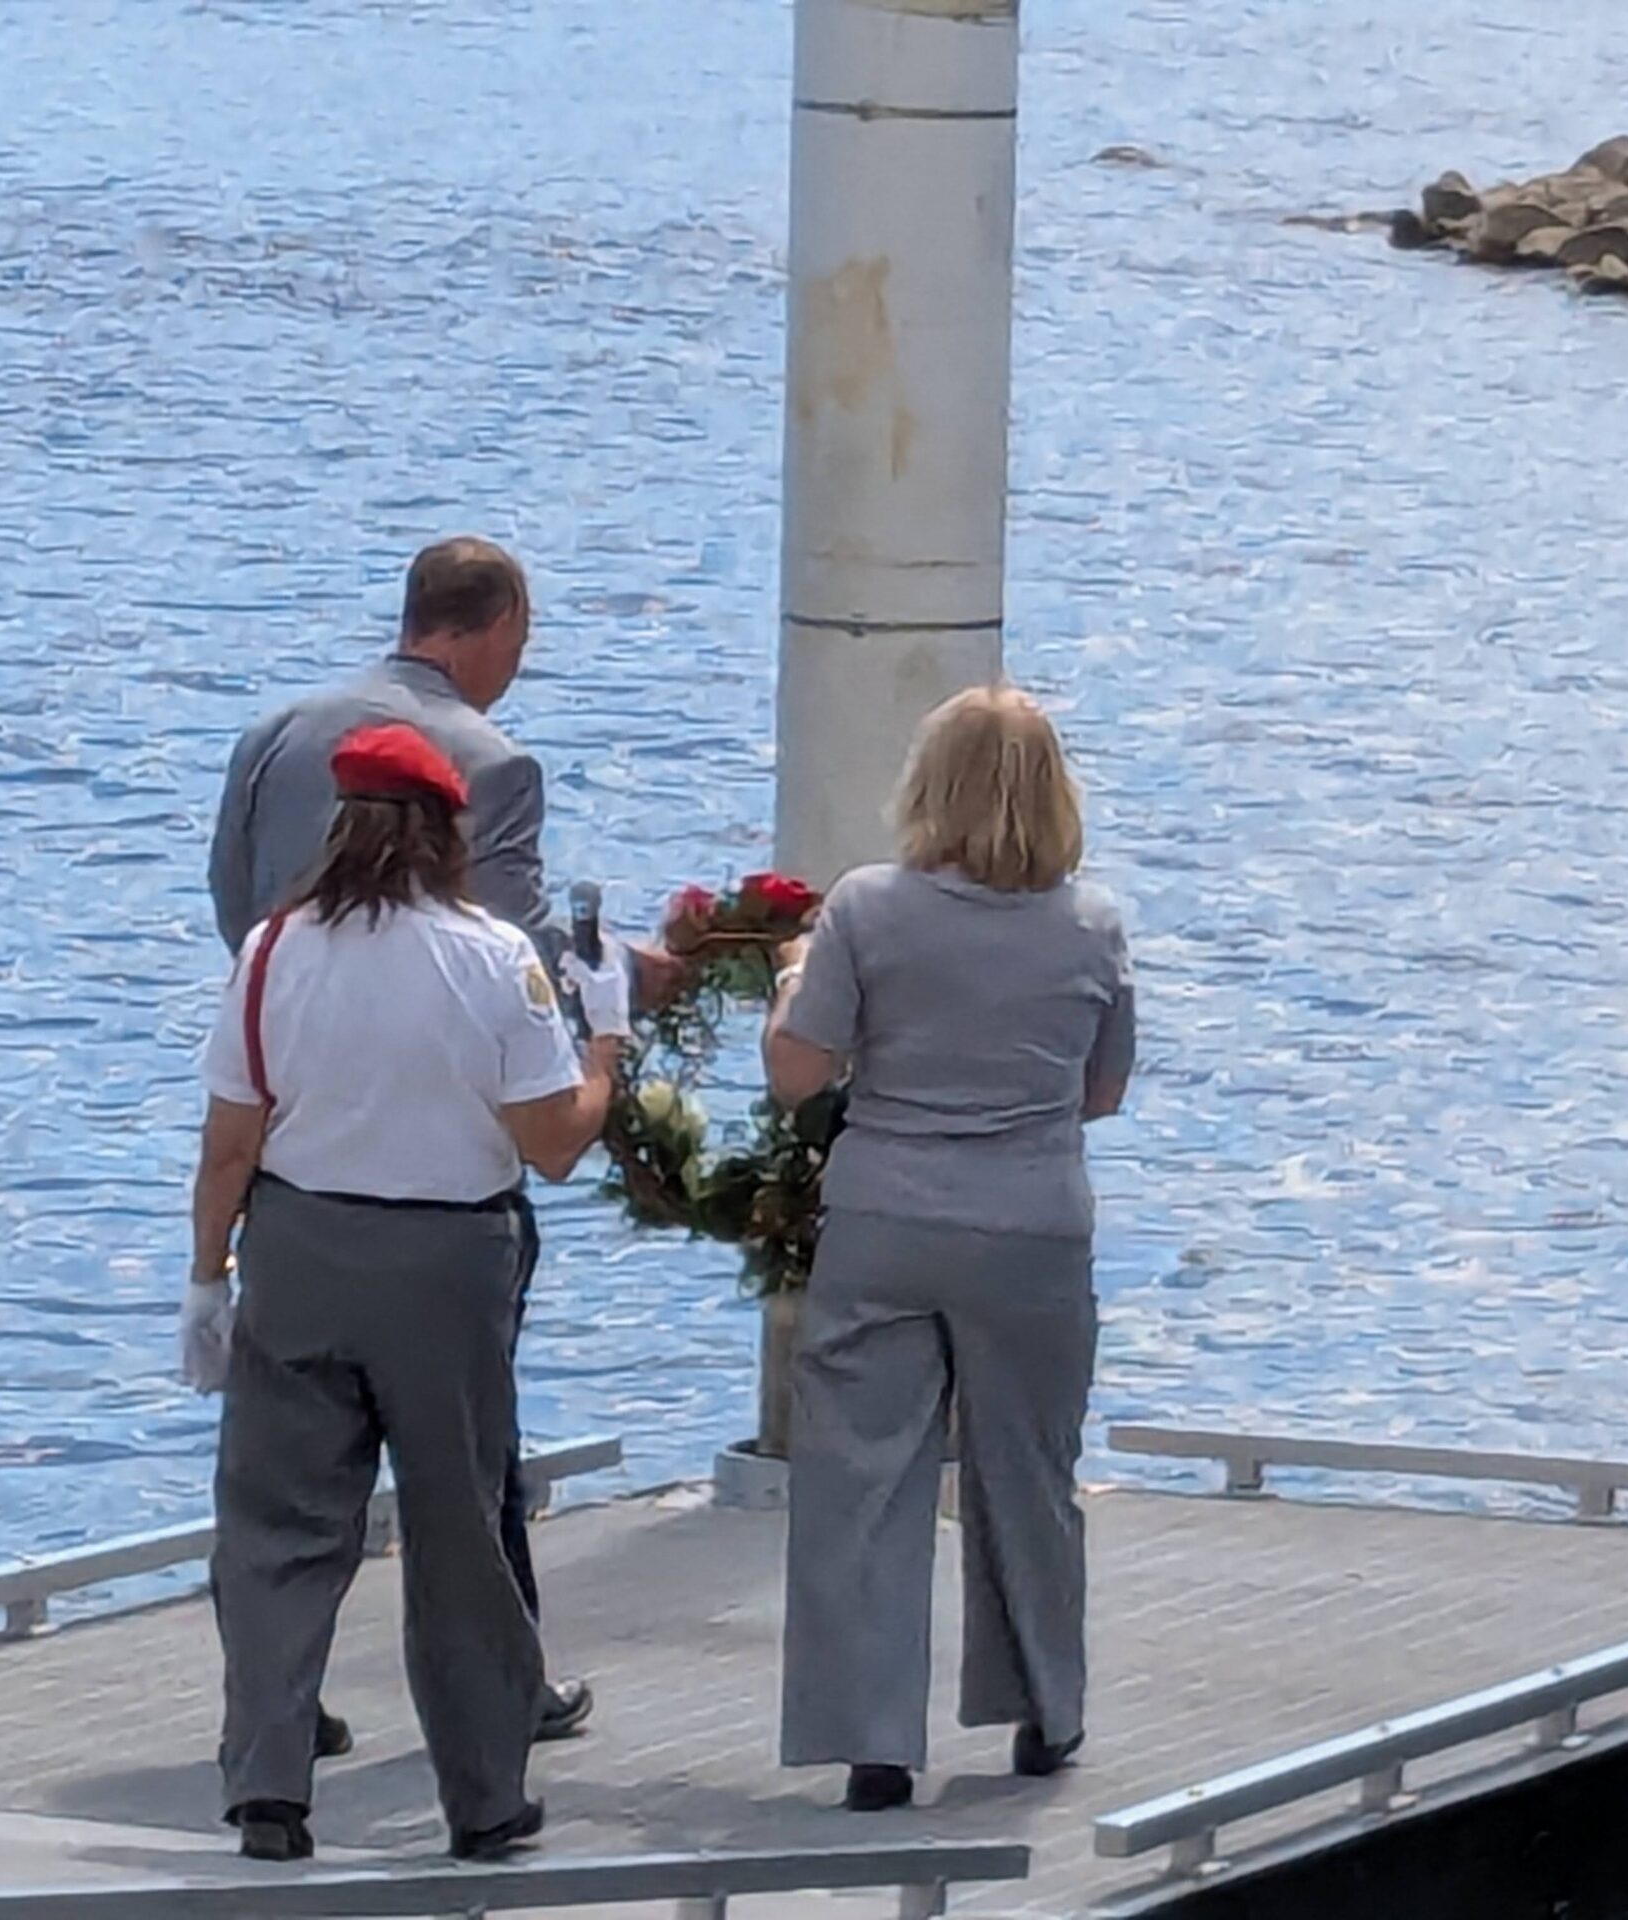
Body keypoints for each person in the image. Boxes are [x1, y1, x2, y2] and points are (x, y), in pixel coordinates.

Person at [206, 535, 672, 1743]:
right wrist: (622, 995)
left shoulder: (274, 731)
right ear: (496, 621)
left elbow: (228, 903)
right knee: (466, 1463)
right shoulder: (495, 764)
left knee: (282, 1481)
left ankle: (276, 1718)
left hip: (287, 1149)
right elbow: (510, 961)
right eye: (526, 634)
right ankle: (504, 1701)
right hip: (441, 1196)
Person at [182, 722, 634, 1862]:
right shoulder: (493, 958)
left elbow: (230, 1146)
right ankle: (484, 1798)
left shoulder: (273, 952)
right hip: (446, 1263)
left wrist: (205, 1280)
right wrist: (608, 1048)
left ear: (341, 827)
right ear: (447, 833)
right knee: (458, 1532)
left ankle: (270, 1785)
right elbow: (553, 1145)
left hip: (298, 1248)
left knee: (278, 1529)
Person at [763, 685, 1134, 1813]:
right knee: (1029, 1472)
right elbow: (1102, 1092)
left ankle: (874, 1739)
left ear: (931, 787)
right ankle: (1043, 1708)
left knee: (863, 1477)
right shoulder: (1092, 924)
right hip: (1031, 1223)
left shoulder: (868, 910)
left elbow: (798, 1075)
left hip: (887, 1218)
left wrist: (790, 982)